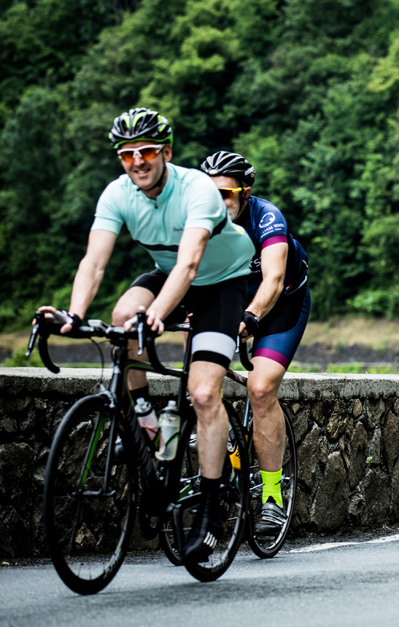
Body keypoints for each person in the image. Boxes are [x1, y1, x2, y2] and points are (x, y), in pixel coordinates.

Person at [38, 108, 255, 562]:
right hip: (166, 273)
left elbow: (190, 264)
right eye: (127, 154)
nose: (137, 161)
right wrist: (74, 315)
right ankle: (146, 420)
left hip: (220, 282)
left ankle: (211, 512)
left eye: (147, 151)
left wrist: (156, 314)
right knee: (122, 315)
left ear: (166, 153)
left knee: (203, 393)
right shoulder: (117, 194)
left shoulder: (196, 189)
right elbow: (94, 262)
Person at [200, 151, 310, 534]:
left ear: (245, 192)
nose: (217, 203)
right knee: (198, 382)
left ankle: (273, 499)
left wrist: (250, 317)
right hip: (230, 299)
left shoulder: (267, 217)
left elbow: (274, 279)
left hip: (282, 304)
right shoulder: (201, 219)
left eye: (226, 194)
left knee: (260, 389)